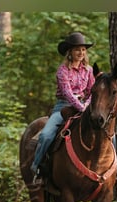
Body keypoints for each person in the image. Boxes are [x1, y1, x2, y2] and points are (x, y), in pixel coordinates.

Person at [31, 32, 95, 184]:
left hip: (85, 106)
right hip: (64, 107)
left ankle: (114, 169)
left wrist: (86, 105)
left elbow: (92, 91)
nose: (81, 53)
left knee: (108, 133)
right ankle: (37, 167)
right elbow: (67, 94)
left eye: (83, 50)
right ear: (70, 52)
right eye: (77, 49)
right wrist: (81, 107)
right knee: (46, 135)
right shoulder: (63, 71)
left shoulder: (89, 70)